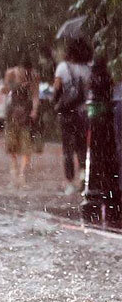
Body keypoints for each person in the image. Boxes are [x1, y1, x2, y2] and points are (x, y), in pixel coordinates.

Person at [53, 38, 92, 195]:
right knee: (82, 148)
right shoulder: (88, 69)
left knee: (67, 149)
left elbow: (56, 89)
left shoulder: (63, 67)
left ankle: (69, 183)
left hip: (67, 113)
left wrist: (57, 102)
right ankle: (83, 179)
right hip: (83, 113)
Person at [1, 58, 39, 186]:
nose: (24, 74)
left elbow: (35, 95)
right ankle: (14, 170)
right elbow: (5, 91)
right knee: (11, 145)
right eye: (22, 71)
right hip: (12, 112)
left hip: (25, 113)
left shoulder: (33, 76)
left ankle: (22, 174)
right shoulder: (11, 73)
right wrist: (14, 85)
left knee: (26, 145)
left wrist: (34, 110)